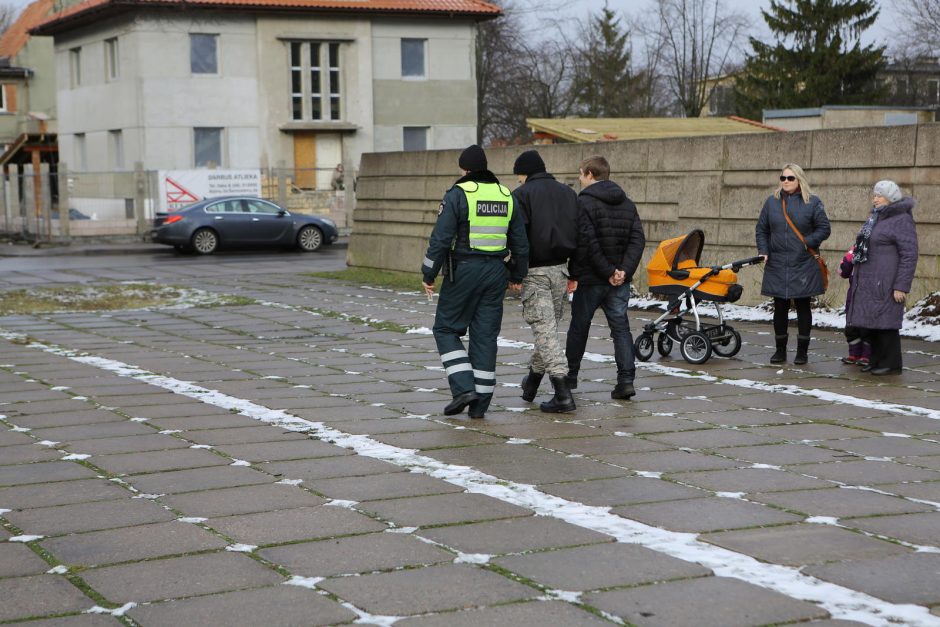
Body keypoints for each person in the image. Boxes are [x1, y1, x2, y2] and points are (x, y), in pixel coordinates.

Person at [421, 145, 529, 418]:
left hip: (465, 270)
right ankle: (480, 405)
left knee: (445, 328)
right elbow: (521, 242)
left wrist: (428, 273)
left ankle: (463, 388)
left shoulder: (459, 194)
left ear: (465, 170)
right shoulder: (506, 194)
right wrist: (516, 275)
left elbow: (441, 239)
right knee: (484, 336)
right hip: (496, 273)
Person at [565, 155, 645, 401]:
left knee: (579, 327)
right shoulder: (627, 203)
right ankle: (626, 381)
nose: (579, 179)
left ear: (590, 174)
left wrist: (605, 272)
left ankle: (570, 376)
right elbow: (637, 240)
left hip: (591, 279)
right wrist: (623, 271)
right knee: (621, 329)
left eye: (580, 174)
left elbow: (586, 243)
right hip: (619, 281)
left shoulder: (583, 203)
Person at [511, 149, 579, 413]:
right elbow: (579, 234)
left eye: (519, 177)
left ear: (524, 173)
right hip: (561, 271)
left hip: (535, 272)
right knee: (547, 330)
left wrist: (514, 273)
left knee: (546, 332)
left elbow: (518, 239)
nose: (518, 182)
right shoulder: (568, 193)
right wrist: (575, 273)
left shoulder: (521, 196)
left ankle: (563, 394)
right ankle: (531, 383)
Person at [756, 163, 831, 365]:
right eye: (783, 178)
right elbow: (761, 229)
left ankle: (802, 352)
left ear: (799, 180)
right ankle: (780, 351)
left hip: (803, 262)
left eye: (790, 178)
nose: (786, 182)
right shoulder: (771, 202)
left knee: (803, 305)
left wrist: (808, 242)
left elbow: (824, 228)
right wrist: (763, 250)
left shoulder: (813, 202)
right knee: (779, 306)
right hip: (778, 262)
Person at [844, 180, 918, 376]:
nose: (874, 198)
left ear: (891, 198)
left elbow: (909, 254)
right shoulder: (875, 217)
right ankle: (876, 360)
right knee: (872, 323)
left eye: (879, 195)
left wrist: (901, 286)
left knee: (886, 325)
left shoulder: (901, 219)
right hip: (869, 280)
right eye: (874, 194)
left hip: (887, 282)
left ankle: (891, 364)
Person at [838, 246, 871, 366]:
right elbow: (843, 271)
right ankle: (854, 353)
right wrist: (849, 258)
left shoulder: (878, 250)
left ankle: (867, 355)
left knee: (867, 327)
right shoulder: (856, 250)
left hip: (869, 295)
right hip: (853, 295)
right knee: (851, 326)